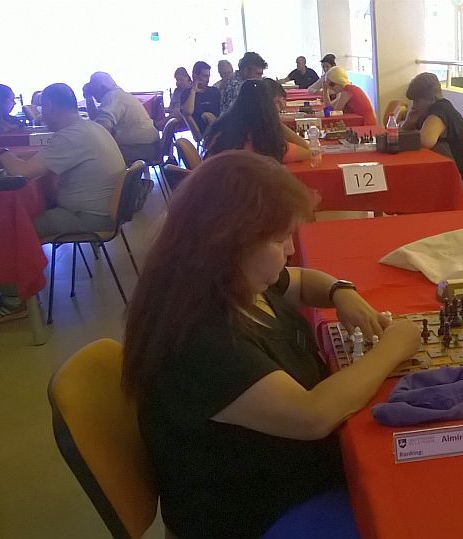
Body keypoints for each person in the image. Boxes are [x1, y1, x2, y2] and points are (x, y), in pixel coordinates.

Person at [122, 151, 421, 537]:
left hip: (279, 479)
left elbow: (301, 280)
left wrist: (340, 292)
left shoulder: (228, 281)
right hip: (254, 512)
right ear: (231, 243)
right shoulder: (199, 338)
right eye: (280, 240)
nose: (291, 250)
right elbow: (313, 415)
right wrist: (393, 347)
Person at [0, 83, 125, 324]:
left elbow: (22, 173)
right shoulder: (89, 127)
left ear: (50, 106)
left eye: (43, 108)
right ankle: (2, 278)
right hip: (102, 210)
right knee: (24, 215)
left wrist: (2, 153)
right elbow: (45, 159)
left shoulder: (71, 136)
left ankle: (14, 300)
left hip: (88, 217)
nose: (42, 114)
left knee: (14, 229)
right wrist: (20, 158)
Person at [402, 72, 463, 193]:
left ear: (431, 99)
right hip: (446, 172)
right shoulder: (430, 111)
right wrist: (408, 122)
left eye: (417, 101)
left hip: (461, 178)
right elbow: (407, 132)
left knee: (408, 186)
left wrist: (406, 131)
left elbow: (425, 142)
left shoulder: (440, 111)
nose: (414, 106)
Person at [204, 79, 310, 163]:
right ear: (269, 107)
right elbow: (307, 151)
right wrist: (274, 120)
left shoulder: (223, 128)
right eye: (276, 103)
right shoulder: (263, 144)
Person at [83, 72, 160, 164]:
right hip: (149, 146)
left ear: (102, 87)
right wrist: (88, 98)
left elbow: (101, 128)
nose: (93, 93)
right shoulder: (119, 95)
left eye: (93, 89)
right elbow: (98, 123)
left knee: (90, 158)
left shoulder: (112, 97)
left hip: (138, 149)